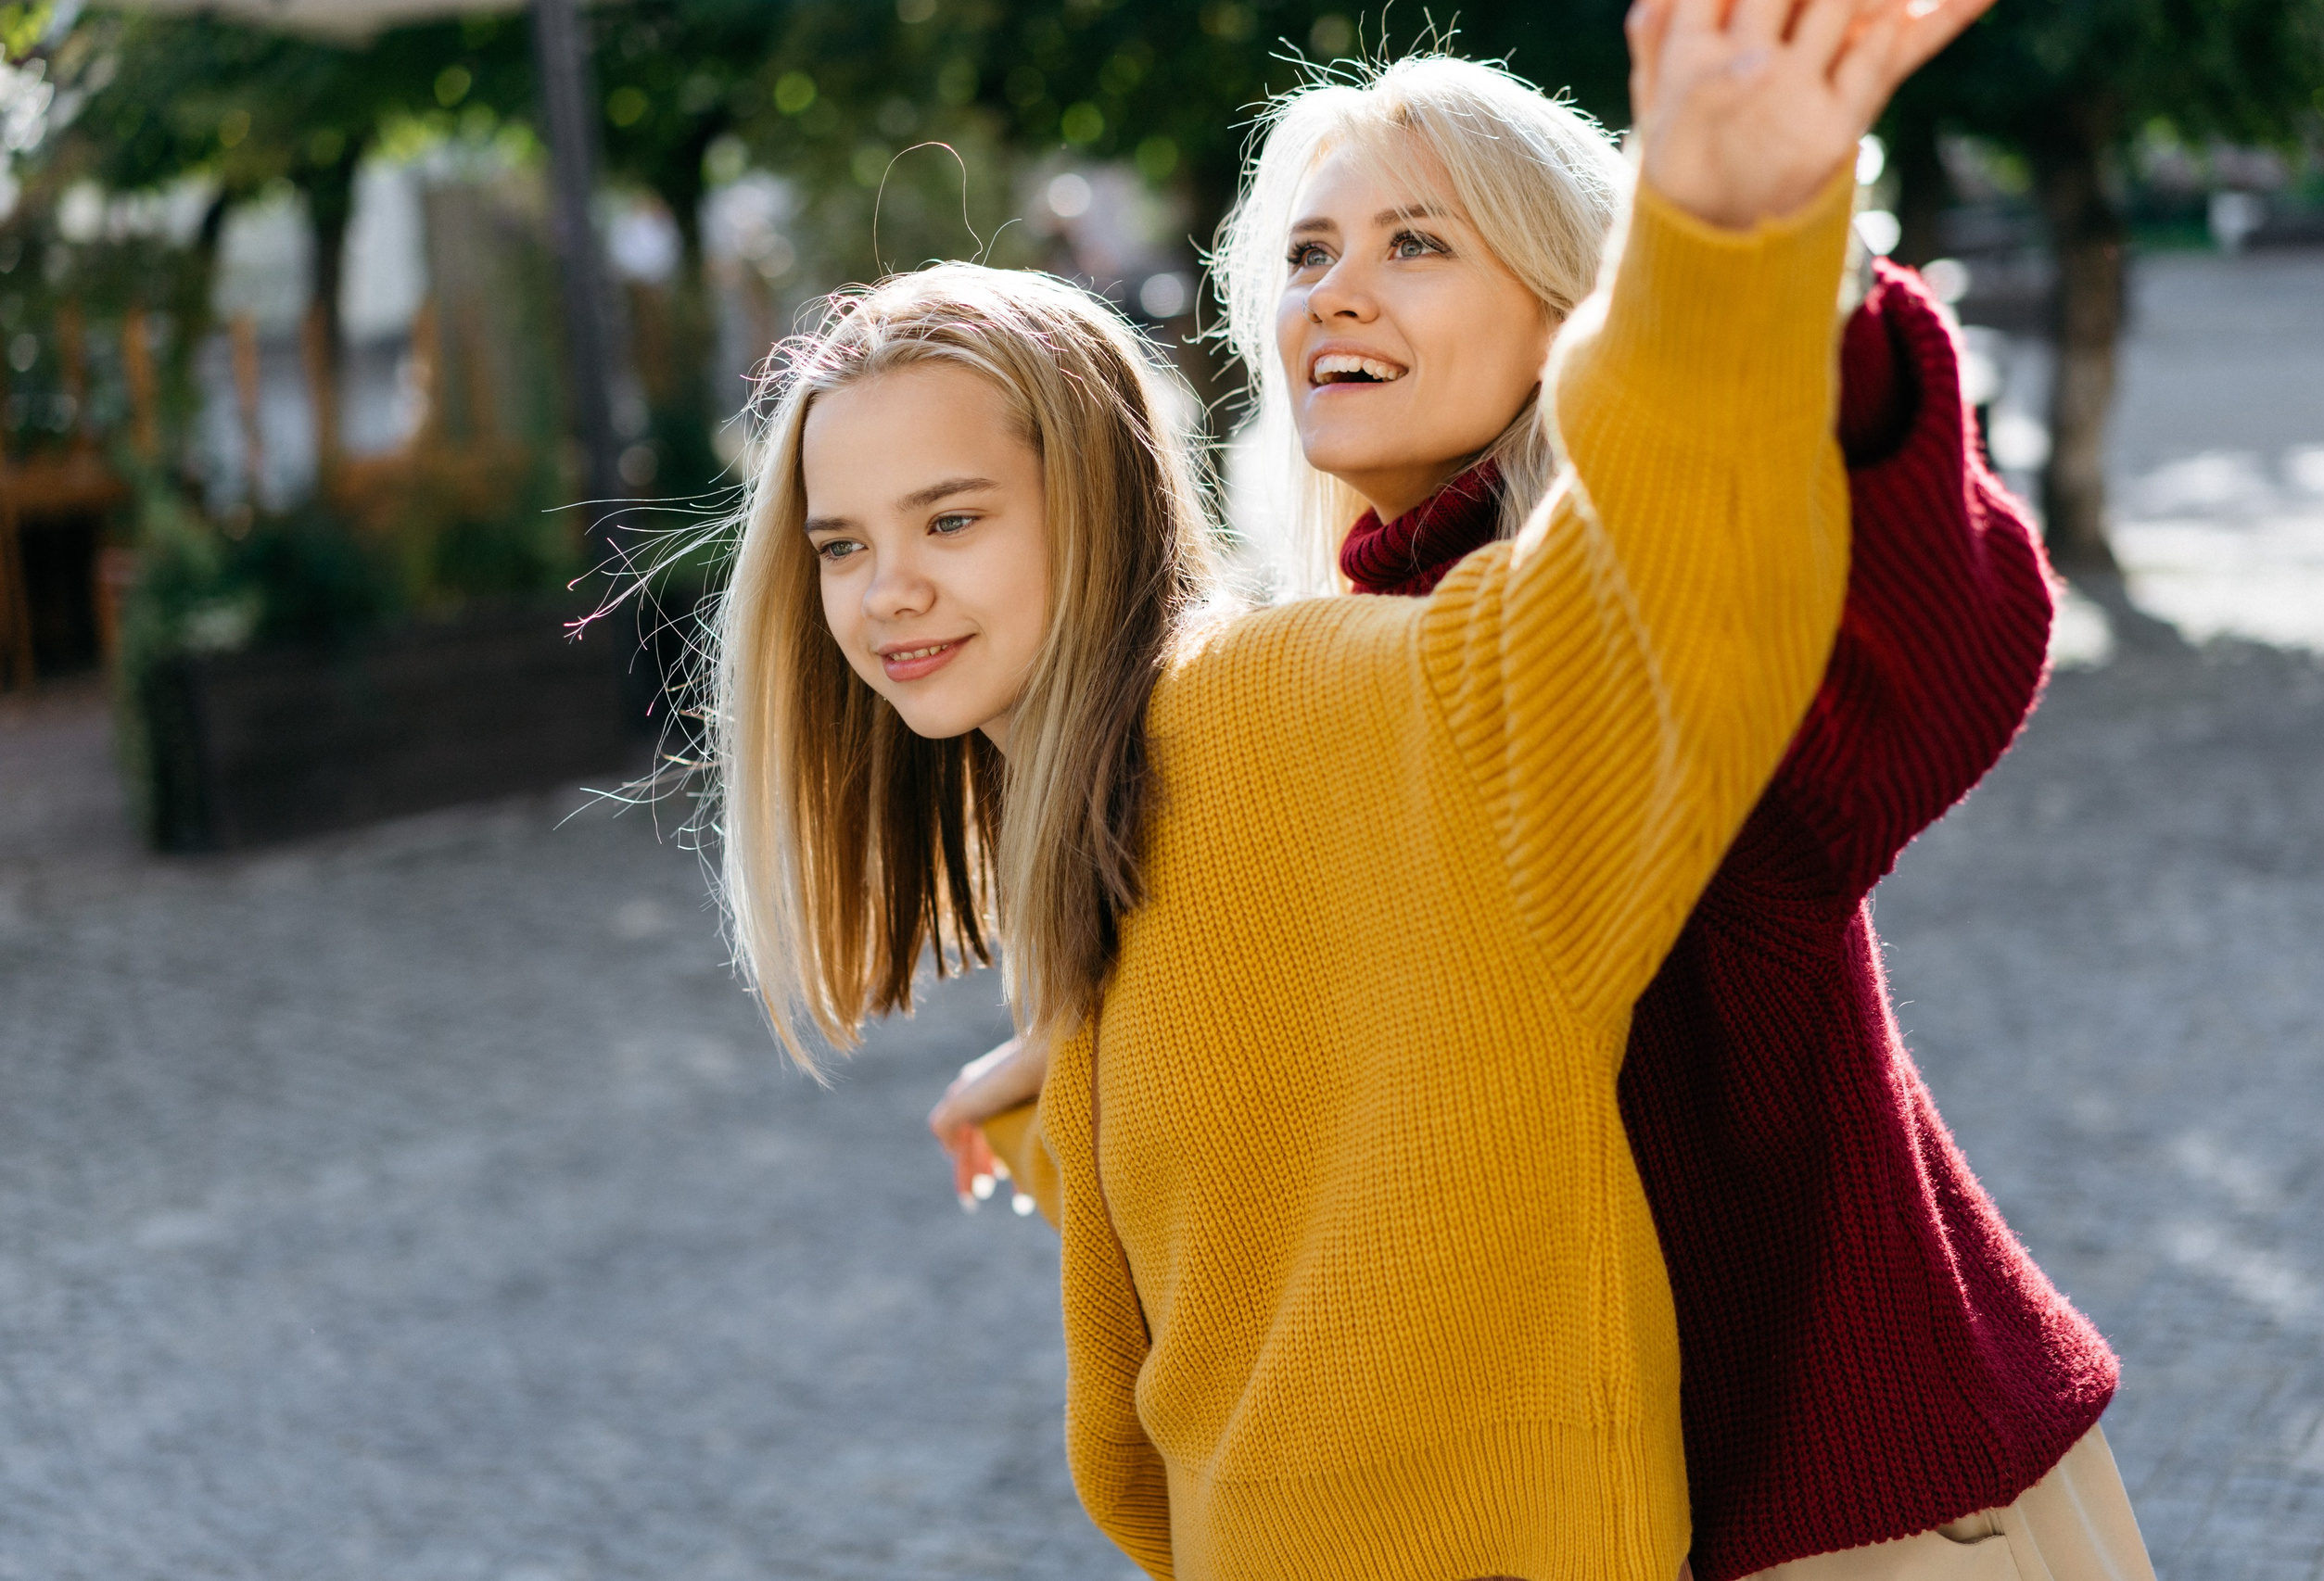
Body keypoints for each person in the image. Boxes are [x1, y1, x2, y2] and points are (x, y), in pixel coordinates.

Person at [719, 0, 1962, 1574]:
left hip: (1863, 1494)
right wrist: (1074, 1069)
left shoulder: (1311, 685)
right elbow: (1325, 1069)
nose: (888, 586)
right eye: (842, 545)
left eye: (952, 520)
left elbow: (1680, 633)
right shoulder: (1241, 722)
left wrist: (1737, 250)